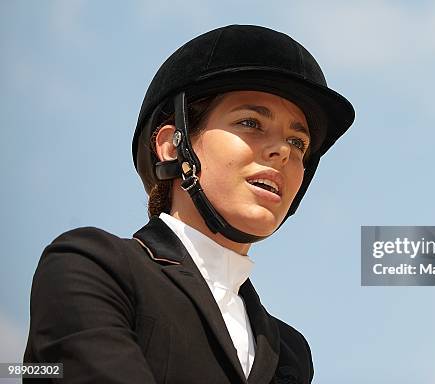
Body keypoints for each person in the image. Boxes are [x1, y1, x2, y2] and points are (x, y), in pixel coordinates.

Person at [23, 24, 354, 383]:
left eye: (298, 142)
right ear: (171, 145)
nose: (284, 152)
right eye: (251, 122)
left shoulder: (290, 351)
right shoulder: (92, 267)